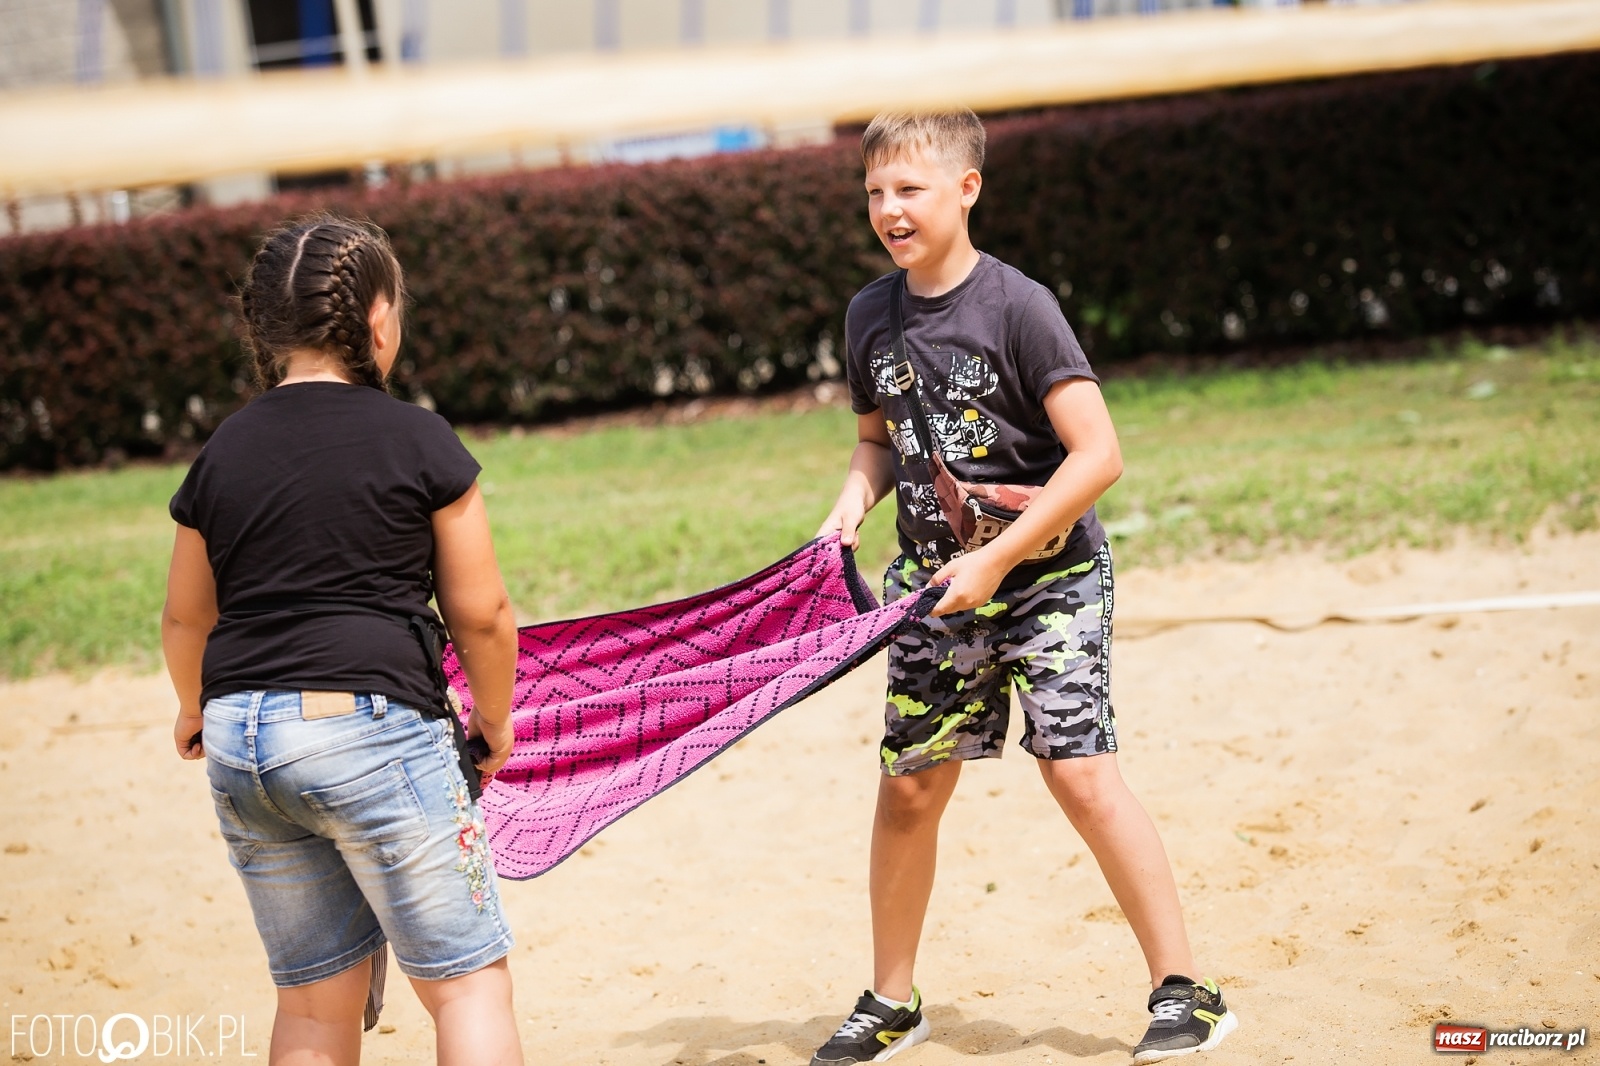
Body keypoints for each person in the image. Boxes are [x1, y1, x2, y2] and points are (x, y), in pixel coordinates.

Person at [810, 111, 1238, 1065]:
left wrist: (1000, 559)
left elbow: (1100, 455)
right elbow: (879, 439)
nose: (889, 208)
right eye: (875, 191)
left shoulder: (1019, 307)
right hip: (930, 584)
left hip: (1047, 579)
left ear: (967, 189)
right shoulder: (868, 315)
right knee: (911, 788)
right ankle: (891, 999)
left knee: (1080, 773)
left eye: (910, 189)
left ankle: (1186, 990)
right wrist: (850, 504)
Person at [162, 215, 524, 1066]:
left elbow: (187, 618)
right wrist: (496, 722)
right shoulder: (420, 439)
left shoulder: (223, 452)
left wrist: (192, 707)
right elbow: (483, 614)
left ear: (264, 330)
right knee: (468, 986)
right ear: (380, 322)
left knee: (315, 1007)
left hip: (244, 744)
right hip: (372, 730)